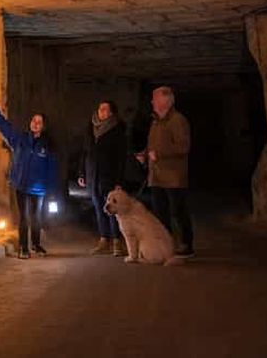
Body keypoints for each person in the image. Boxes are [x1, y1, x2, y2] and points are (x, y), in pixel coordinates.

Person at [0, 95, 59, 259]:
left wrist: (52, 190)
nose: (35, 123)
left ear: (44, 126)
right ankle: (23, 248)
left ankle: (36, 244)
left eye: (39, 122)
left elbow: (52, 170)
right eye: (34, 120)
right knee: (24, 217)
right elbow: (3, 126)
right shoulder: (20, 139)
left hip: (39, 189)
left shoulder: (48, 146)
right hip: (21, 185)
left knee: (36, 217)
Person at [136, 86, 194, 257]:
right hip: (156, 176)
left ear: (164, 101)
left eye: (155, 98)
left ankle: (185, 244)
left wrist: (159, 154)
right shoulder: (155, 121)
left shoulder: (178, 120)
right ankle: (167, 245)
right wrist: (145, 155)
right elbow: (153, 145)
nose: (152, 102)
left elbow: (183, 147)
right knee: (160, 213)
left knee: (178, 211)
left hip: (173, 177)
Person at [78, 101, 128, 256]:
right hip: (93, 174)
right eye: (100, 108)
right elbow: (85, 152)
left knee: (112, 209)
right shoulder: (90, 128)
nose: (101, 111)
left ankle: (116, 241)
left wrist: (119, 180)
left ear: (111, 113)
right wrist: (82, 173)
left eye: (105, 109)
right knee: (99, 208)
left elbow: (121, 157)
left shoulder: (117, 130)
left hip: (109, 175)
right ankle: (103, 239)